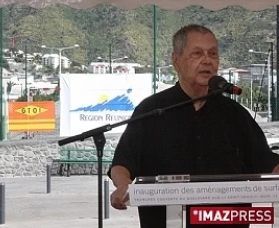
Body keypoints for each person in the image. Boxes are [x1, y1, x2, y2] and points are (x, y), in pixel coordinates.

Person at [108, 24, 279, 228]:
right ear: (176, 60)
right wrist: (123, 186)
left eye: (213, 54)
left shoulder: (235, 114)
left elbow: (266, 161)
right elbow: (122, 163)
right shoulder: (152, 110)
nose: (207, 60)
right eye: (197, 53)